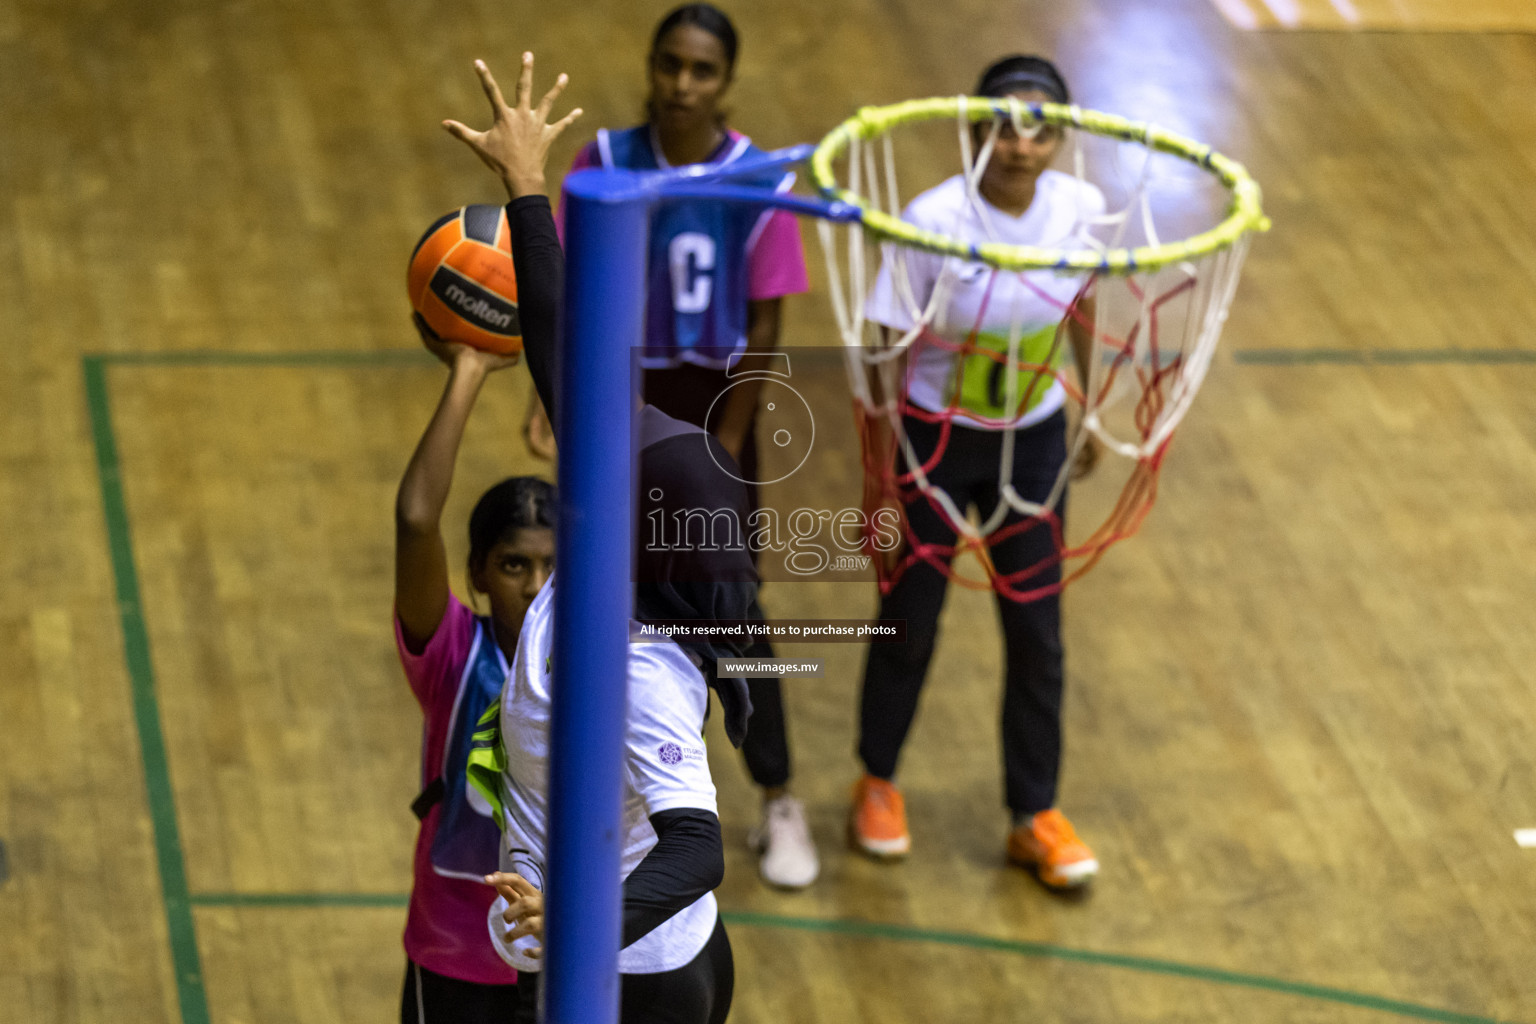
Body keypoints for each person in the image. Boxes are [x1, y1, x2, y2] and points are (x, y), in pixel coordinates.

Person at [443, 54, 747, 1023]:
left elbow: (700, 848)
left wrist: (580, 923)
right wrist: (527, 187)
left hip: (634, 977)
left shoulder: (636, 662)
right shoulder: (618, 551)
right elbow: (560, 345)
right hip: (600, 948)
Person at [531, 2, 819, 890]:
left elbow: (769, 313)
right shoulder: (604, 164)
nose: (682, 85)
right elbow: (572, 287)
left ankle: (777, 795)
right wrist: (560, 396)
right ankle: (625, 797)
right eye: (670, 66)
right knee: (606, 599)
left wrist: (730, 435)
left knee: (732, 612)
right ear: (652, 68)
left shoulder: (757, 176)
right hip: (624, 394)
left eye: (701, 71)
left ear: (725, 82)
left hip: (711, 405)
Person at [847, 55, 1105, 890]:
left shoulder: (1081, 211)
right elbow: (884, 342)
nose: (1019, 144)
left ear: (1062, 138)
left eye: (1040, 128)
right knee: (909, 618)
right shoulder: (933, 220)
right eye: (1001, 122)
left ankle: (1034, 814)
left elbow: (1086, 302)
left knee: (1038, 634)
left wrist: (1091, 402)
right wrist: (878, 470)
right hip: (933, 438)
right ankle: (877, 780)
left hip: (1029, 441)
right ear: (972, 127)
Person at [393, 320, 553, 1017]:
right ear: (480, 576)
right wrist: (468, 369)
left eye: (555, 566)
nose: (535, 584)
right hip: (455, 952)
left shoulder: (615, 667)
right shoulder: (453, 653)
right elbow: (417, 519)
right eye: (515, 564)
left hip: (567, 955)